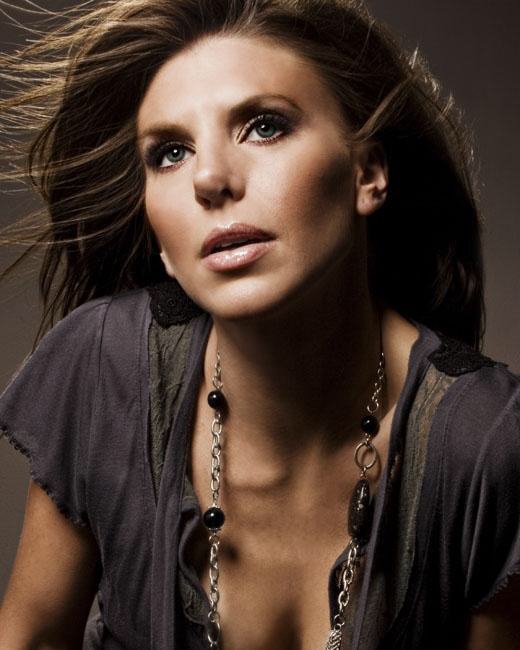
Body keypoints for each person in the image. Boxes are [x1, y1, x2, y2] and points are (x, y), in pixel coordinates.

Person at [0, 0, 519, 648]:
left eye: (265, 126)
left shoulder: (486, 443)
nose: (209, 179)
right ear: (160, 239)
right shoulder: (105, 368)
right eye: (170, 153)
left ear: (367, 173)